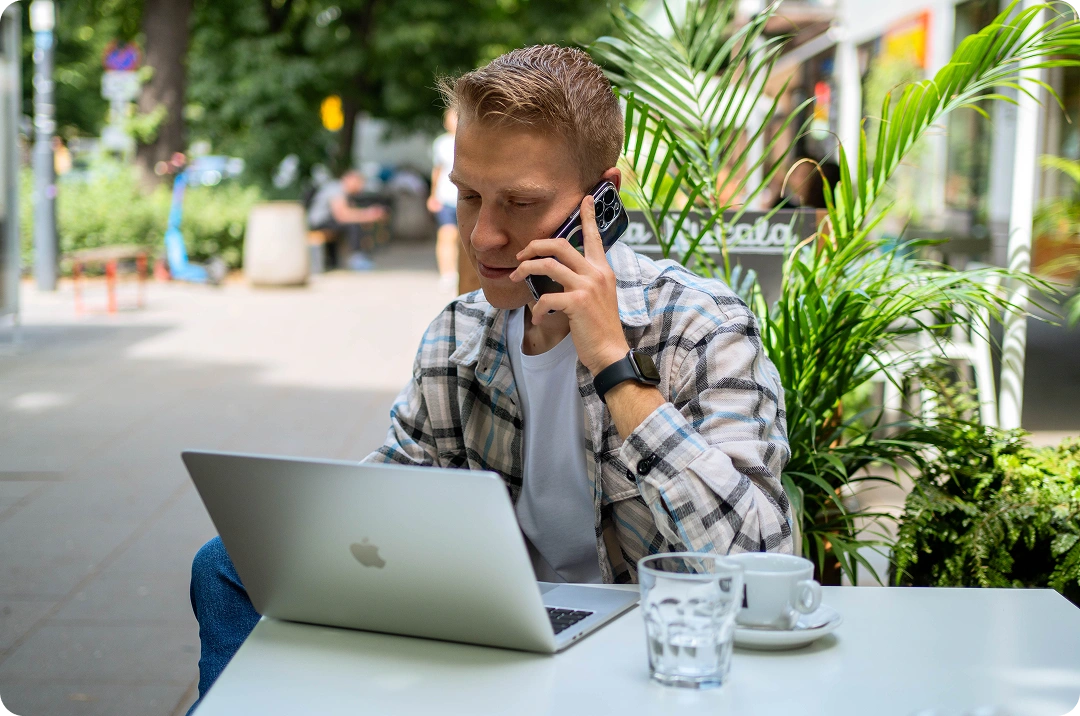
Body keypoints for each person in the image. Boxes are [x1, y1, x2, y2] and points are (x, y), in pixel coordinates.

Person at [187, 45, 793, 709]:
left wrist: (617, 370)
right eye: (469, 197)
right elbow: (389, 497)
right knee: (224, 565)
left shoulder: (700, 325)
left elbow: (758, 559)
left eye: (521, 203)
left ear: (602, 201)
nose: (483, 237)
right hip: (488, 634)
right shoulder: (458, 333)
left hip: (640, 642)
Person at [307, 170, 388, 271]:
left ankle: (335, 262)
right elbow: (342, 216)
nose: (360, 187)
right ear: (350, 180)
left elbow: (348, 213)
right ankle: (357, 258)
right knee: (352, 224)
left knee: (351, 223)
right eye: (359, 183)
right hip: (319, 222)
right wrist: (368, 215)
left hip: (327, 221)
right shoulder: (336, 189)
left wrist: (367, 215)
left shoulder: (343, 191)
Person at [428, 108, 460, 292]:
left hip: (465, 198)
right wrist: (433, 195)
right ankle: (447, 273)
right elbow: (437, 170)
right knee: (446, 234)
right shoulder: (441, 143)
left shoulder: (471, 140)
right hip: (446, 197)